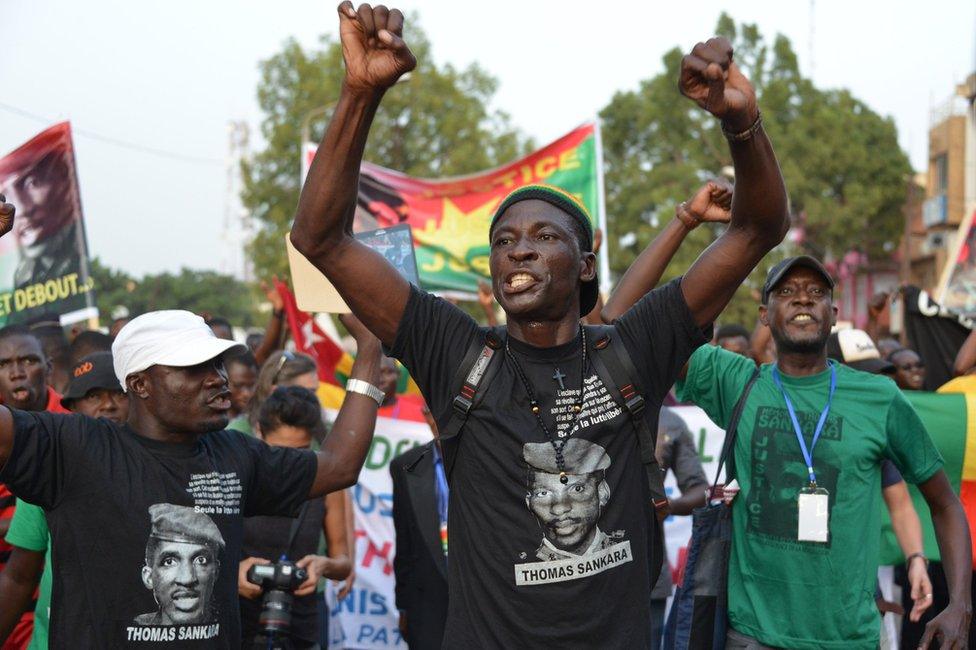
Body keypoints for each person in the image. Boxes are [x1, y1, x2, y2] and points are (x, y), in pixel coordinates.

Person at [290, 5, 789, 645]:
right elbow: (320, 239)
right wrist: (360, 92)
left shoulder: (635, 346)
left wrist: (741, 122)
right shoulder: (455, 351)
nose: (517, 250)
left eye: (543, 236)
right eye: (504, 241)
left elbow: (756, 230)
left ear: (585, 266)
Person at [0, 204, 386, 649]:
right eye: (194, 368)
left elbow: (338, 466)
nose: (218, 379)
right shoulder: (73, 447)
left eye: (217, 364)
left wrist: (370, 349)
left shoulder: (234, 453)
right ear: (141, 385)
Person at [676, 255, 972, 649]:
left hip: (848, 639)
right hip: (752, 636)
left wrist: (961, 605)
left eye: (816, 293)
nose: (802, 300)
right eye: (787, 292)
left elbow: (945, 503)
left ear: (832, 314)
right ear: (764, 315)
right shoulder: (736, 381)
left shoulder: (879, 397)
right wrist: (698, 228)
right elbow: (629, 326)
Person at [238, 386, 354, 648]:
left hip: (300, 625)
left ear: (313, 441)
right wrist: (233, 574)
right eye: (277, 452)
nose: (288, 463)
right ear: (258, 432)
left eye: (300, 452)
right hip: (237, 622)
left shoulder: (325, 485)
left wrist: (322, 565)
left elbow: (343, 563)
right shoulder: (238, 478)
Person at [0, 326, 69, 649]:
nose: (16, 373)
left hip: (56, 605)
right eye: (3, 364)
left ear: (49, 369)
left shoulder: (75, 430)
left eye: (28, 360)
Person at [391, 404, 449, 650]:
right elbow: (405, 541)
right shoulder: (406, 466)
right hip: (427, 603)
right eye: (432, 407)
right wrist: (404, 605)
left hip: (483, 598)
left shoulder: (490, 458)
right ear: (425, 413)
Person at [650, 408, 708, 648]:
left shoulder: (670, 422)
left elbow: (700, 491)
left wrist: (669, 506)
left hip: (650, 572)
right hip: (598, 574)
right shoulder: (596, 412)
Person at [134, 504, 225, 626]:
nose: (187, 579)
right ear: (148, 577)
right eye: (169, 562)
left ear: (216, 572)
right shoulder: (134, 626)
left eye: (200, 560)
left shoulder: (225, 628)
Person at [224, 351, 258, 422]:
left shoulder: (260, 422)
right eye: (238, 385)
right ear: (223, 382)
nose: (246, 394)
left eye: (251, 385)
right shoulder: (212, 426)